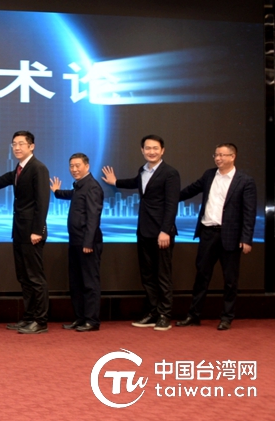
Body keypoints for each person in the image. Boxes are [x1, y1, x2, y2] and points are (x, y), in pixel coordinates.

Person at [102, 134, 179, 331]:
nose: (151, 151)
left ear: (162, 150)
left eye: (155, 148)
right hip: (144, 230)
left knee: (163, 275)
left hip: (161, 233)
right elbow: (136, 182)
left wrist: (165, 230)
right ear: (142, 150)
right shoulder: (143, 170)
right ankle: (153, 312)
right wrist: (115, 182)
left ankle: (164, 315)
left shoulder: (170, 173)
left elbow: (172, 204)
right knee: (147, 275)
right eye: (148, 148)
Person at [176, 143, 256, 330]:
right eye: (216, 155)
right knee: (201, 276)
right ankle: (193, 315)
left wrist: (246, 238)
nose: (218, 158)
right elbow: (190, 190)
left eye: (222, 155)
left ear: (233, 156)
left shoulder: (245, 181)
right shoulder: (209, 175)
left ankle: (226, 317)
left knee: (230, 280)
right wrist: (169, 198)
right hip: (208, 233)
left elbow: (249, 212)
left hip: (231, 236)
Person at [0, 131, 50, 335]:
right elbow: (8, 179)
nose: (17, 147)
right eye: (14, 144)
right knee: (24, 277)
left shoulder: (38, 168)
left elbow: (43, 201)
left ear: (31, 146)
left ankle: (40, 321)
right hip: (19, 231)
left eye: (21, 144)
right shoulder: (19, 169)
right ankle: (28, 317)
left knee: (35, 277)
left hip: (32, 233)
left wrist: (37, 230)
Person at [50, 153, 104, 333]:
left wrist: (88, 242)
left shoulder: (92, 187)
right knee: (76, 283)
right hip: (75, 241)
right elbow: (72, 195)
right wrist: (57, 192)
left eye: (77, 165)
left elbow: (93, 217)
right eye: (71, 166)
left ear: (87, 166)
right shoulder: (80, 186)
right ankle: (80, 318)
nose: (74, 169)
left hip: (87, 243)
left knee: (89, 283)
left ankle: (92, 321)